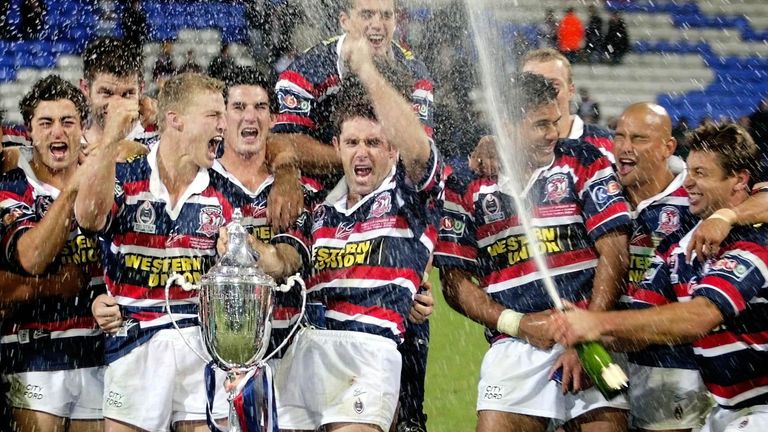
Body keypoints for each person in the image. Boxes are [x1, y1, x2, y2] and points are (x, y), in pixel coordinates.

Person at [265, 33, 442, 432]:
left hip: (368, 355)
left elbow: (419, 150)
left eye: (374, 142)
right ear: (337, 146)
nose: (361, 152)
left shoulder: (407, 198)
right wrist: (252, 253)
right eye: (352, 142)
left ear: (391, 149)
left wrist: (366, 69)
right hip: (308, 355)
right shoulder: (321, 210)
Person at [435, 72, 631, 432]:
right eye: (541, 125)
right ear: (506, 126)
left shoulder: (583, 161)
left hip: (589, 333)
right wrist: (518, 323)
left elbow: (616, 251)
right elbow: (453, 281)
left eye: (555, 121)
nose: (553, 133)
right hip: (514, 344)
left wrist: (587, 330)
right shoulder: (466, 183)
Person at [551, 122, 768, 432]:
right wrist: (583, 335)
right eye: (689, 171)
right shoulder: (679, 249)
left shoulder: (757, 240)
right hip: (728, 411)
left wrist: (596, 324)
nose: (688, 183)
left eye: (701, 174)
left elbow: (700, 316)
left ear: (739, 180)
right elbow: (643, 317)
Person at [74, 73, 243, 432]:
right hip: (135, 341)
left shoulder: (227, 195)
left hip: (200, 347)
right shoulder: (125, 176)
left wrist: (238, 253)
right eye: (214, 115)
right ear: (175, 119)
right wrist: (110, 140)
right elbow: (88, 216)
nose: (224, 125)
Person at [0, 75, 104, 431]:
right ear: (29, 131)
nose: (57, 132)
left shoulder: (107, 181)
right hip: (34, 357)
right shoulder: (12, 188)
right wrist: (76, 187)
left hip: (99, 355)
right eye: (46, 123)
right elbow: (33, 257)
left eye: (67, 122)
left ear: (82, 129)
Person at [613, 103, 711, 431]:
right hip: (607, 358)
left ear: (668, 147)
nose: (625, 147)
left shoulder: (695, 196)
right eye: (619, 136)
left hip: (672, 363)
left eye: (639, 138)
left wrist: (728, 216)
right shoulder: (601, 194)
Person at [470, 48, 615, 177]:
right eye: (531, 85)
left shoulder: (608, 145)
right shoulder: (497, 150)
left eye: (554, 85)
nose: (544, 92)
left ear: (571, 91)